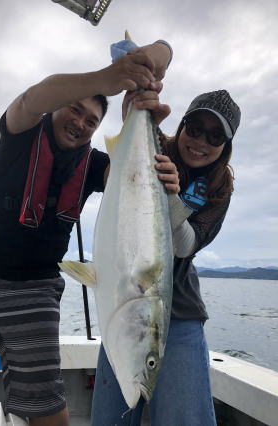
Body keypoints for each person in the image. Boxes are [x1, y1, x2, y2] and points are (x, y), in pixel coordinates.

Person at [0, 40, 173, 426]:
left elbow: (133, 184)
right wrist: (105, 79)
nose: (80, 122)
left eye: (91, 120)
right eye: (75, 109)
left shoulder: (95, 165)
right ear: (58, 107)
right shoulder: (22, 133)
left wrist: (148, 96)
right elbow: (29, 99)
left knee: (46, 405)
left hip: (35, 289)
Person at [91, 88, 241, 426]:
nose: (201, 141)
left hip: (180, 314)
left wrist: (172, 198)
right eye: (195, 128)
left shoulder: (219, 187)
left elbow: (186, 247)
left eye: (215, 135)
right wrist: (135, 103)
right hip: (123, 304)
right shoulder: (154, 147)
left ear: (225, 146)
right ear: (182, 124)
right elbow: (132, 119)